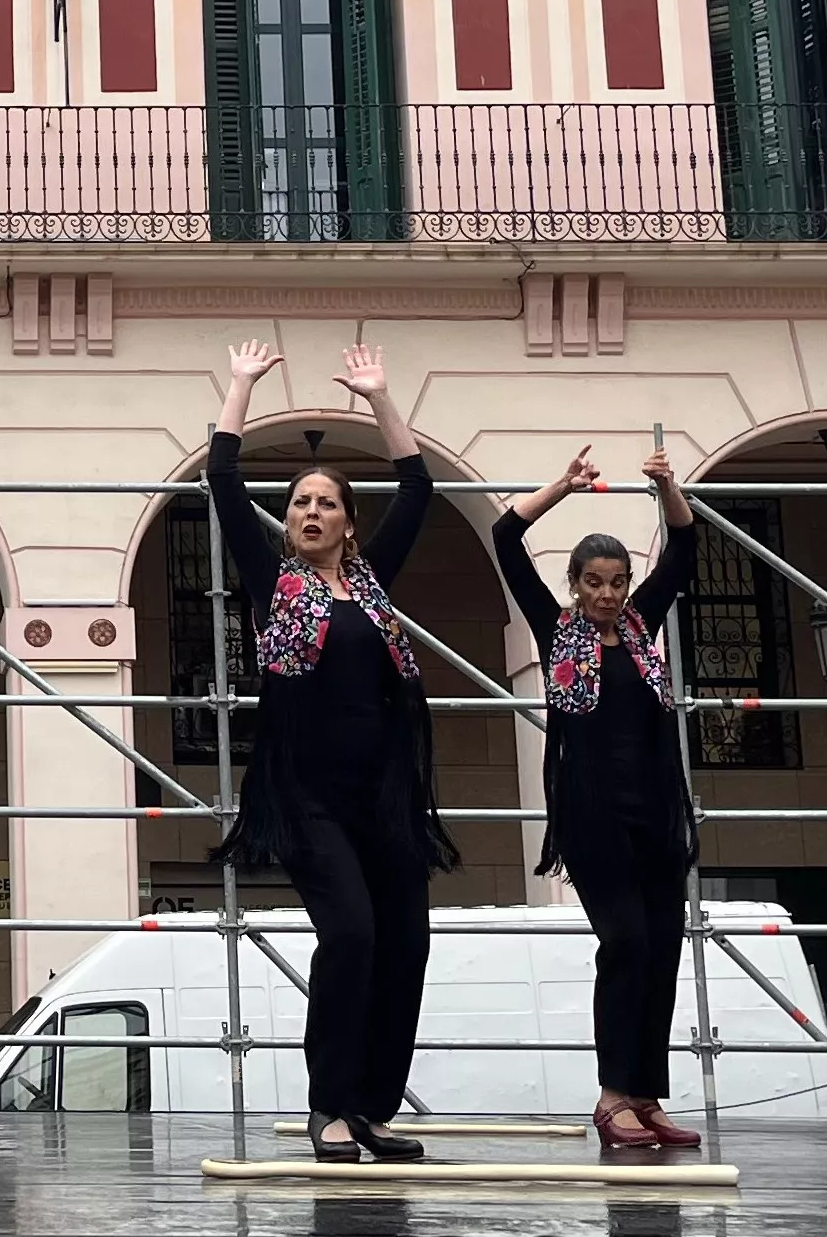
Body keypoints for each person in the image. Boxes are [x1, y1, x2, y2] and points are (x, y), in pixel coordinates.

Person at [205, 341, 457, 1164]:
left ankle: (372, 1108)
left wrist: (379, 398)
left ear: (348, 521)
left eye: (324, 503)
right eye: (298, 503)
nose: (309, 512)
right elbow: (221, 481)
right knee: (349, 935)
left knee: (405, 946)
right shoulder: (272, 582)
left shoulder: (373, 584)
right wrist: (240, 386)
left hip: (382, 796)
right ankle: (329, 1108)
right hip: (306, 795)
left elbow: (417, 488)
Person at [493, 445, 702, 1152]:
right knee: (625, 945)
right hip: (592, 817)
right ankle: (612, 1096)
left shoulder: (642, 627)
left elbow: (684, 544)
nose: (607, 594)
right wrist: (564, 485)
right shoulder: (556, 631)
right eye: (593, 582)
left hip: (655, 813)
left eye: (616, 582)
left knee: (662, 950)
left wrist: (666, 486)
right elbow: (504, 536)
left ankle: (644, 1094)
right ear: (575, 585)